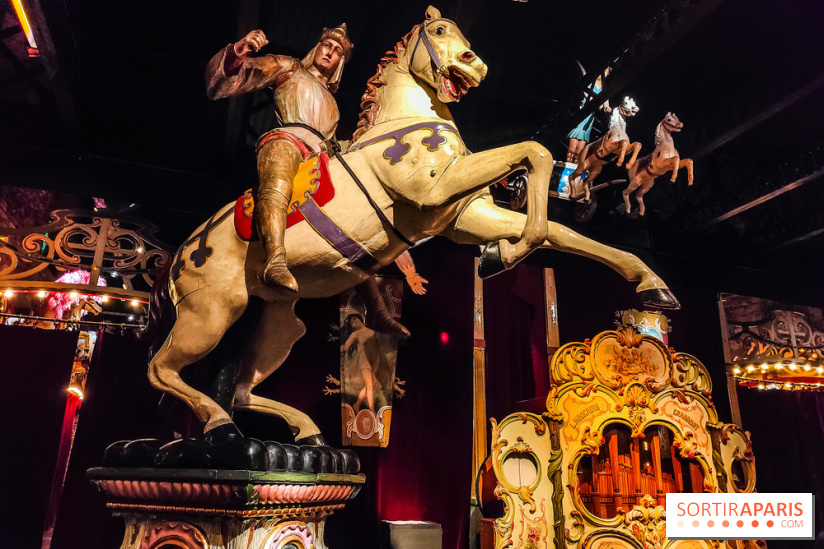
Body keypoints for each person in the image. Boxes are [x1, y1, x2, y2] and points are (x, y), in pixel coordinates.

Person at [206, 25, 353, 291]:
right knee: (277, 184)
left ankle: (372, 300)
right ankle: (274, 259)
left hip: (320, 157)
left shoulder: (335, 106)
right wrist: (238, 53)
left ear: (340, 63)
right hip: (287, 140)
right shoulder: (290, 68)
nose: (330, 52)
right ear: (317, 47)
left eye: (337, 51)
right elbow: (239, 74)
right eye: (327, 45)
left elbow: (336, 143)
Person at [566, 67, 612, 163]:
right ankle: (567, 164)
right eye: (605, 70)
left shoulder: (604, 87)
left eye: (607, 71)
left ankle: (573, 168)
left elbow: (606, 101)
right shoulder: (591, 81)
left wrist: (607, 108)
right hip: (582, 112)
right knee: (572, 147)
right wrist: (595, 101)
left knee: (580, 149)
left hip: (590, 117)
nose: (605, 72)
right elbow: (585, 92)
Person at [342, 314, 382, 413]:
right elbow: (345, 347)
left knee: (372, 383)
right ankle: (371, 409)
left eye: (355, 320)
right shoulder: (355, 334)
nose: (353, 322)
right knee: (370, 384)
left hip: (375, 359)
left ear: (361, 320)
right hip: (365, 360)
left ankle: (357, 404)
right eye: (351, 322)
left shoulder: (371, 331)